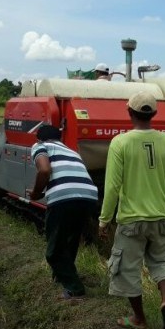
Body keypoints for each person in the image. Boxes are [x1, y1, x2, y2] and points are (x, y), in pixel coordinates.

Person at [98, 92, 165, 329]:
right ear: (154, 114)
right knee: (162, 262)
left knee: (128, 268)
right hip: (161, 218)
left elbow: (113, 186)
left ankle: (139, 318)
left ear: (129, 112)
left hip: (131, 220)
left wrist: (104, 220)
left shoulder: (120, 142)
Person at [29, 125, 98, 301]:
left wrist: (36, 193)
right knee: (70, 240)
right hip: (89, 196)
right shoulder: (72, 151)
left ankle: (74, 289)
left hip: (63, 197)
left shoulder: (40, 146)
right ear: (59, 138)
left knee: (54, 250)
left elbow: (44, 170)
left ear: (39, 139)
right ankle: (62, 276)